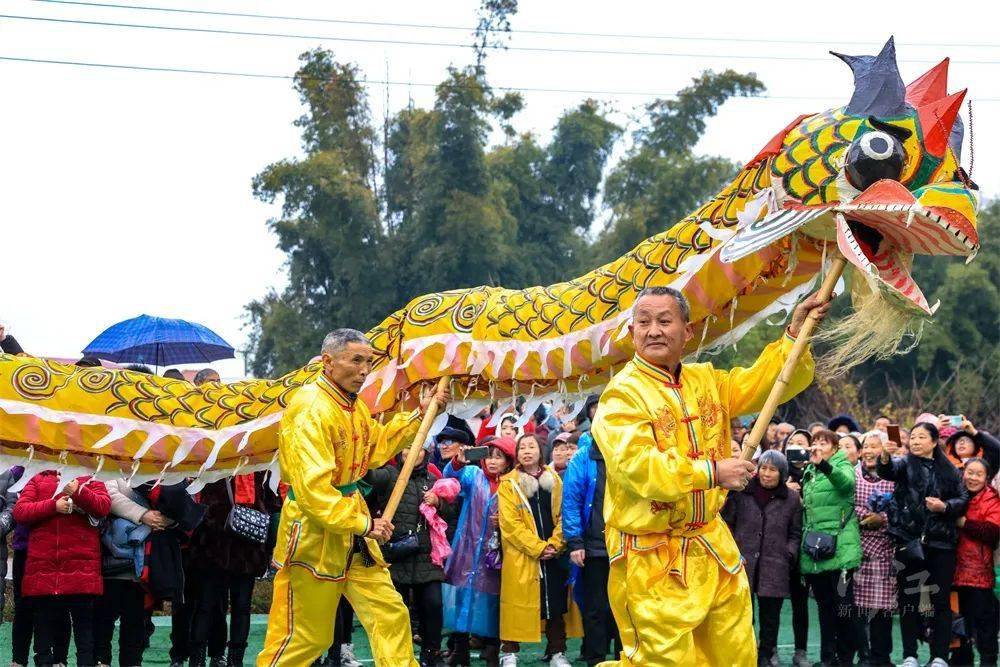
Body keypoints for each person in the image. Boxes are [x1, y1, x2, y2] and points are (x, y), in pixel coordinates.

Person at [591, 286, 828, 666]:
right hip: (651, 555)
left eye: (665, 321)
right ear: (632, 332)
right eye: (644, 322)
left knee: (734, 653)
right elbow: (637, 466)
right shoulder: (622, 396)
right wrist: (713, 471)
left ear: (687, 332)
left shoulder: (706, 381)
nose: (654, 331)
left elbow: (761, 384)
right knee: (662, 661)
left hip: (711, 545)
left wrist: (793, 336)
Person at [257, 329, 450, 667]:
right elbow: (313, 492)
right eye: (356, 360)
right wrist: (364, 524)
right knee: (307, 637)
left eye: (368, 362)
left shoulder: (354, 406)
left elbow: (374, 448)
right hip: (315, 532)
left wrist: (420, 416)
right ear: (328, 362)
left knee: (390, 614)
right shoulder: (309, 409)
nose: (364, 370)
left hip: (354, 532)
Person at [877, 421, 968, 667]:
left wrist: (945, 507)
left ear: (934, 441)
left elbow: (962, 498)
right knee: (909, 601)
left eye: (921, 437)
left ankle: (939, 656)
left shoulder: (949, 469)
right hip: (910, 541)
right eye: (913, 437)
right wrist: (885, 454)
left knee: (940, 602)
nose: (915, 441)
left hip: (942, 543)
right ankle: (910, 655)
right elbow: (887, 471)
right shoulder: (905, 464)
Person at [364, 441, 456, 667]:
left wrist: (440, 503)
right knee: (398, 608)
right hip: (395, 554)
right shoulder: (389, 475)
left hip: (427, 555)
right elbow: (368, 479)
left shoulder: (432, 480)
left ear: (426, 452)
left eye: (418, 447)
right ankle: (399, 656)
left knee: (433, 605)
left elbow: (451, 512)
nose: (411, 451)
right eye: (406, 446)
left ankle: (431, 653)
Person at [13, 471, 111, 667]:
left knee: (84, 629)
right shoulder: (38, 478)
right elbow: (20, 511)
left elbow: (103, 506)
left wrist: (78, 491)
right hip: (44, 566)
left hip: (81, 566)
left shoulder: (91, 477)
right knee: (43, 629)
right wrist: (53, 506)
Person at [190, 471, 282, 666]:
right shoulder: (253, 463)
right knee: (214, 606)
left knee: (226, 606)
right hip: (222, 545)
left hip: (236, 547)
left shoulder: (257, 465)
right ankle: (207, 660)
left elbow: (273, 503)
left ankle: (230, 660)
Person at [721, 451, 801, 667]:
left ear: (781, 473)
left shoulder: (792, 499)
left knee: (770, 616)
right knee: (745, 613)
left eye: (772, 470)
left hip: (775, 564)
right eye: (763, 468)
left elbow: (795, 533)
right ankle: (746, 654)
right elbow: (727, 522)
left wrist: (788, 553)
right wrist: (732, 551)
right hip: (742, 561)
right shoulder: (741, 491)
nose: (766, 474)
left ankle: (766, 654)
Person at [497, 434, 571, 667]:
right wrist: (538, 547)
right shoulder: (509, 484)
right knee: (516, 605)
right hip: (523, 555)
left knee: (555, 603)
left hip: (553, 554)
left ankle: (557, 651)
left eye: (532, 447)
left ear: (541, 451)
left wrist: (555, 544)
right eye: (522, 448)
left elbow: (563, 516)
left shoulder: (555, 481)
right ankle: (509, 652)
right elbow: (510, 525)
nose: (527, 451)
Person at [443, 437, 517, 667]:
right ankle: (459, 650)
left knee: (493, 602)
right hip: (466, 549)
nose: (492, 462)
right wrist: (458, 461)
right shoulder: (473, 475)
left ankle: (491, 651)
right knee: (461, 599)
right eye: (489, 456)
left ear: (508, 461)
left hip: (495, 554)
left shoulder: (513, 484)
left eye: (499, 457)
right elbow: (451, 477)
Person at [799, 429, 865, 666]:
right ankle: (828, 658)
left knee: (843, 605)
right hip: (816, 549)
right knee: (824, 607)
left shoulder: (842, 464)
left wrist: (825, 465)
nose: (817, 445)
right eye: (814, 441)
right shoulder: (809, 471)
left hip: (840, 548)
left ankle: (849, 656)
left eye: (823, 442)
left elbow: (846, 485)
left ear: (835, 448)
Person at [563, 431, 620, 666]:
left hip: (625, 544)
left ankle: (625, 657)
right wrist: (575, 541)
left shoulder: (627, 451)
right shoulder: (583, 457)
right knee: (595, 607)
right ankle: (595, 659)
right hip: (593, 544)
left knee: (624, 606)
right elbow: (571, 501)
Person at [951, 458, 1000, 667]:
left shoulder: (991, 499)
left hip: (978, 571)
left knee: (984, 625)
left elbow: (992, 531)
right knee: (958, 624)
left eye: (978, 474)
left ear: (986, 478)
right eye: (969, 472)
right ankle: (961, 661)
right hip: (952, 570)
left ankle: (988, 661)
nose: (972, 477)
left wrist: (964, 523)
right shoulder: (954, 494)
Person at [853, 431, 896, 667]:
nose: (869, 451)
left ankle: (882, 656)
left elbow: (903, 506)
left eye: (874, 446)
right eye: (865, 446)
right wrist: (865, 516)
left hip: (885, 547)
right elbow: (846, 505)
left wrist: (883, 519)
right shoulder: (853, 474)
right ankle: (864, 655)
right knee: (857, 607)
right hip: (858, 546)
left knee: (882, 609)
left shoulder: (894, 476)